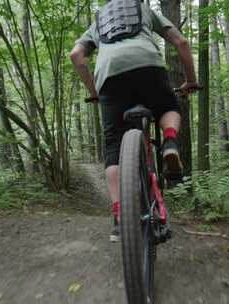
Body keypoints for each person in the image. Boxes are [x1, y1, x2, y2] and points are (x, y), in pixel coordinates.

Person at [69, 0, 198, 242]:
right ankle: (169, 143)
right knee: (168, 107)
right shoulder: (145, 11)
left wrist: (94, 92)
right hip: (148, 66)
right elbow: (181, 42)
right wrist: (190, 80)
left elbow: (76, 55)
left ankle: (119, 217)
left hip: (110, 76)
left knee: (113, 147)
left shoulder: (98, 21)